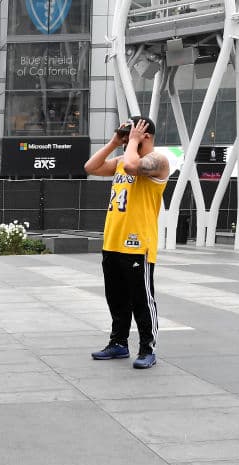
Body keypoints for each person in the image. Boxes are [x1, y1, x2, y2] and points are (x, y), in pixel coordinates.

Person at [83, 116, 170, 369]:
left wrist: (132, 142)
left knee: (142, 299)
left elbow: (134, 167)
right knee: (116, 298)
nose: (126, 139)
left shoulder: (159, 161)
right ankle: (118, 343)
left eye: (131, 133)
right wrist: (114, 142)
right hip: (113, 240)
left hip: (137, 243)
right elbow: (90, 167)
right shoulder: (122, 160)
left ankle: (147, 348)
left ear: (146, 135)